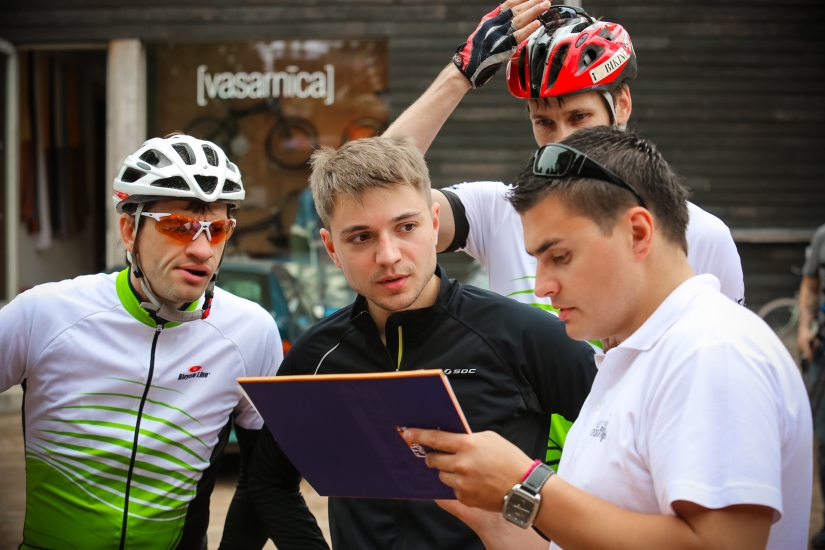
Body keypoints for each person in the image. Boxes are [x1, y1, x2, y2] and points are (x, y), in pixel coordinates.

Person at [404, 126, 812, 550]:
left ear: (637, 233)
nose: (541, 285)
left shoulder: (710, 350)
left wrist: (526, 486)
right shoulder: (639, 354)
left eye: (559, 256)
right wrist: (494, 520)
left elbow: (722, 544)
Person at [230, 135, 598, 550]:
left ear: (435, 222)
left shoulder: (524, 335)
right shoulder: (317, 354)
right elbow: (268, 482)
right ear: (332, 248)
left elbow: (624, 451)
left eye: (406, 227)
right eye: (360, 238)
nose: (388, 256)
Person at [0, 133, 283, 549]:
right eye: (179, 226)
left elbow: (267, 479)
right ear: (129, 230)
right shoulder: (43, 314)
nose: (203, 249)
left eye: (217, 229)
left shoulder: (251, 331)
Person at [384, 1, 745, 309]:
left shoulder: (703, 235)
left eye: (578, 117)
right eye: (544, 122)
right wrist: (459, 75)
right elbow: (376, 191)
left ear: (621, 105)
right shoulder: (498, 212)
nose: (563, 140)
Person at [800, 223, 825, 549]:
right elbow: (809, 284)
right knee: (821, 437)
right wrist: (805, 326)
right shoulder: (822, 236)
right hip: (822, 352)